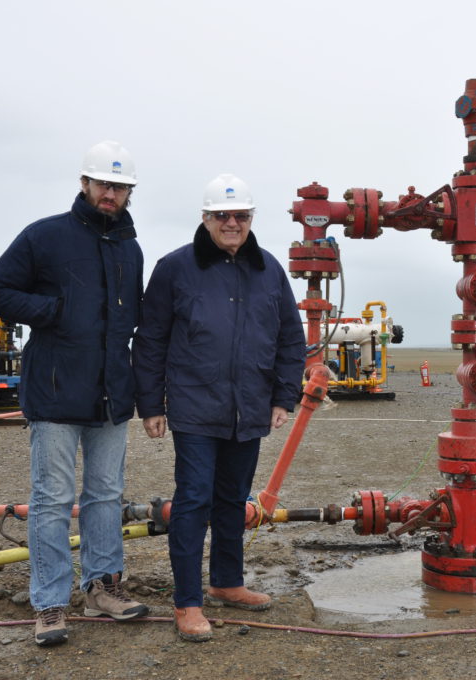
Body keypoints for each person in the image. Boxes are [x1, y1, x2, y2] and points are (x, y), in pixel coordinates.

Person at [0, 140, 149, 647]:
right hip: (54, 394)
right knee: (52, 500)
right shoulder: (44, 236)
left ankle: (102, 587)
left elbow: (132, 318)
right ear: (84, 184)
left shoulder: (130, 247)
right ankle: (50, 603)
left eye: (119, 187)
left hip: (111, 395)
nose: (110, 194)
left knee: (106, 496)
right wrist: (53, 311)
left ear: (128, 193)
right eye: (103, 184)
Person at [133, 173, 305, 642]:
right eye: (222, 216)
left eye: (241, 216)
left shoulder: (269, 269)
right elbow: (150, 340)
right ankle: (187, 603)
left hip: (249, 408)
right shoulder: (175, 268)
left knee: (234, 499)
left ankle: (228, 581)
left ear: (251, 219)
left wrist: (282, 396)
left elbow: (291, 338)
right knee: (192, 502)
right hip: (194, 408)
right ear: (205, 218)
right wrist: (151, 403)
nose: (232, 223)